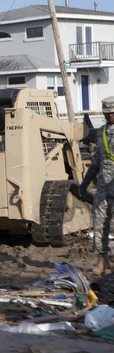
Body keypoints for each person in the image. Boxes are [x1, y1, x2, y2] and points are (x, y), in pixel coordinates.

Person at [80, 96, 114, 276]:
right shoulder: (101, 133)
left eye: (113, 113)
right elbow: (96, 162)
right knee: (99, 223)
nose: (110, 116)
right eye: (107, 113)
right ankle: (102, 260)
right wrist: (84, 183)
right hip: (103, 186)